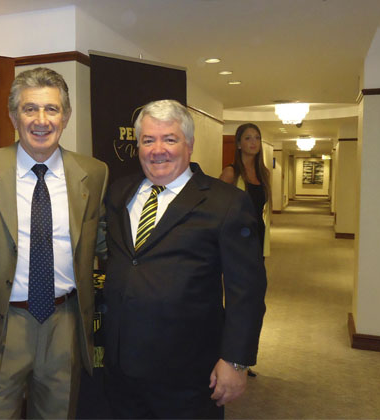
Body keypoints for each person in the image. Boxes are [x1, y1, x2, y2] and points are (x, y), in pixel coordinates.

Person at [102, 99, 267, 419]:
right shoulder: (119, 193)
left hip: (188, 373)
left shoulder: (226, 202)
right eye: (148, 140)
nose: (157, 150)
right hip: (122, 369)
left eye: (170, 139)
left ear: (189, 144)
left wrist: (235, 360)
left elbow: (247, 290)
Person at [0, 67, 108, 419]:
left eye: (52, 109)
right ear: (14, 116)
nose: (41, 120)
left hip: (65, 321)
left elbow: (104, 243)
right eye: (30, 109)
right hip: (4, 320)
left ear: (66, 116)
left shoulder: (94, 173)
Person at [219, 122, 271, 258]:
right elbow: (217, 209)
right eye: (248, 138)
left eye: (257, 138)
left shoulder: (263, 174)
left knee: (258, 271)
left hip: (258, 233)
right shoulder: (231, 173)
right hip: (237, 237)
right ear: (239, 144)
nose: (254, 142)